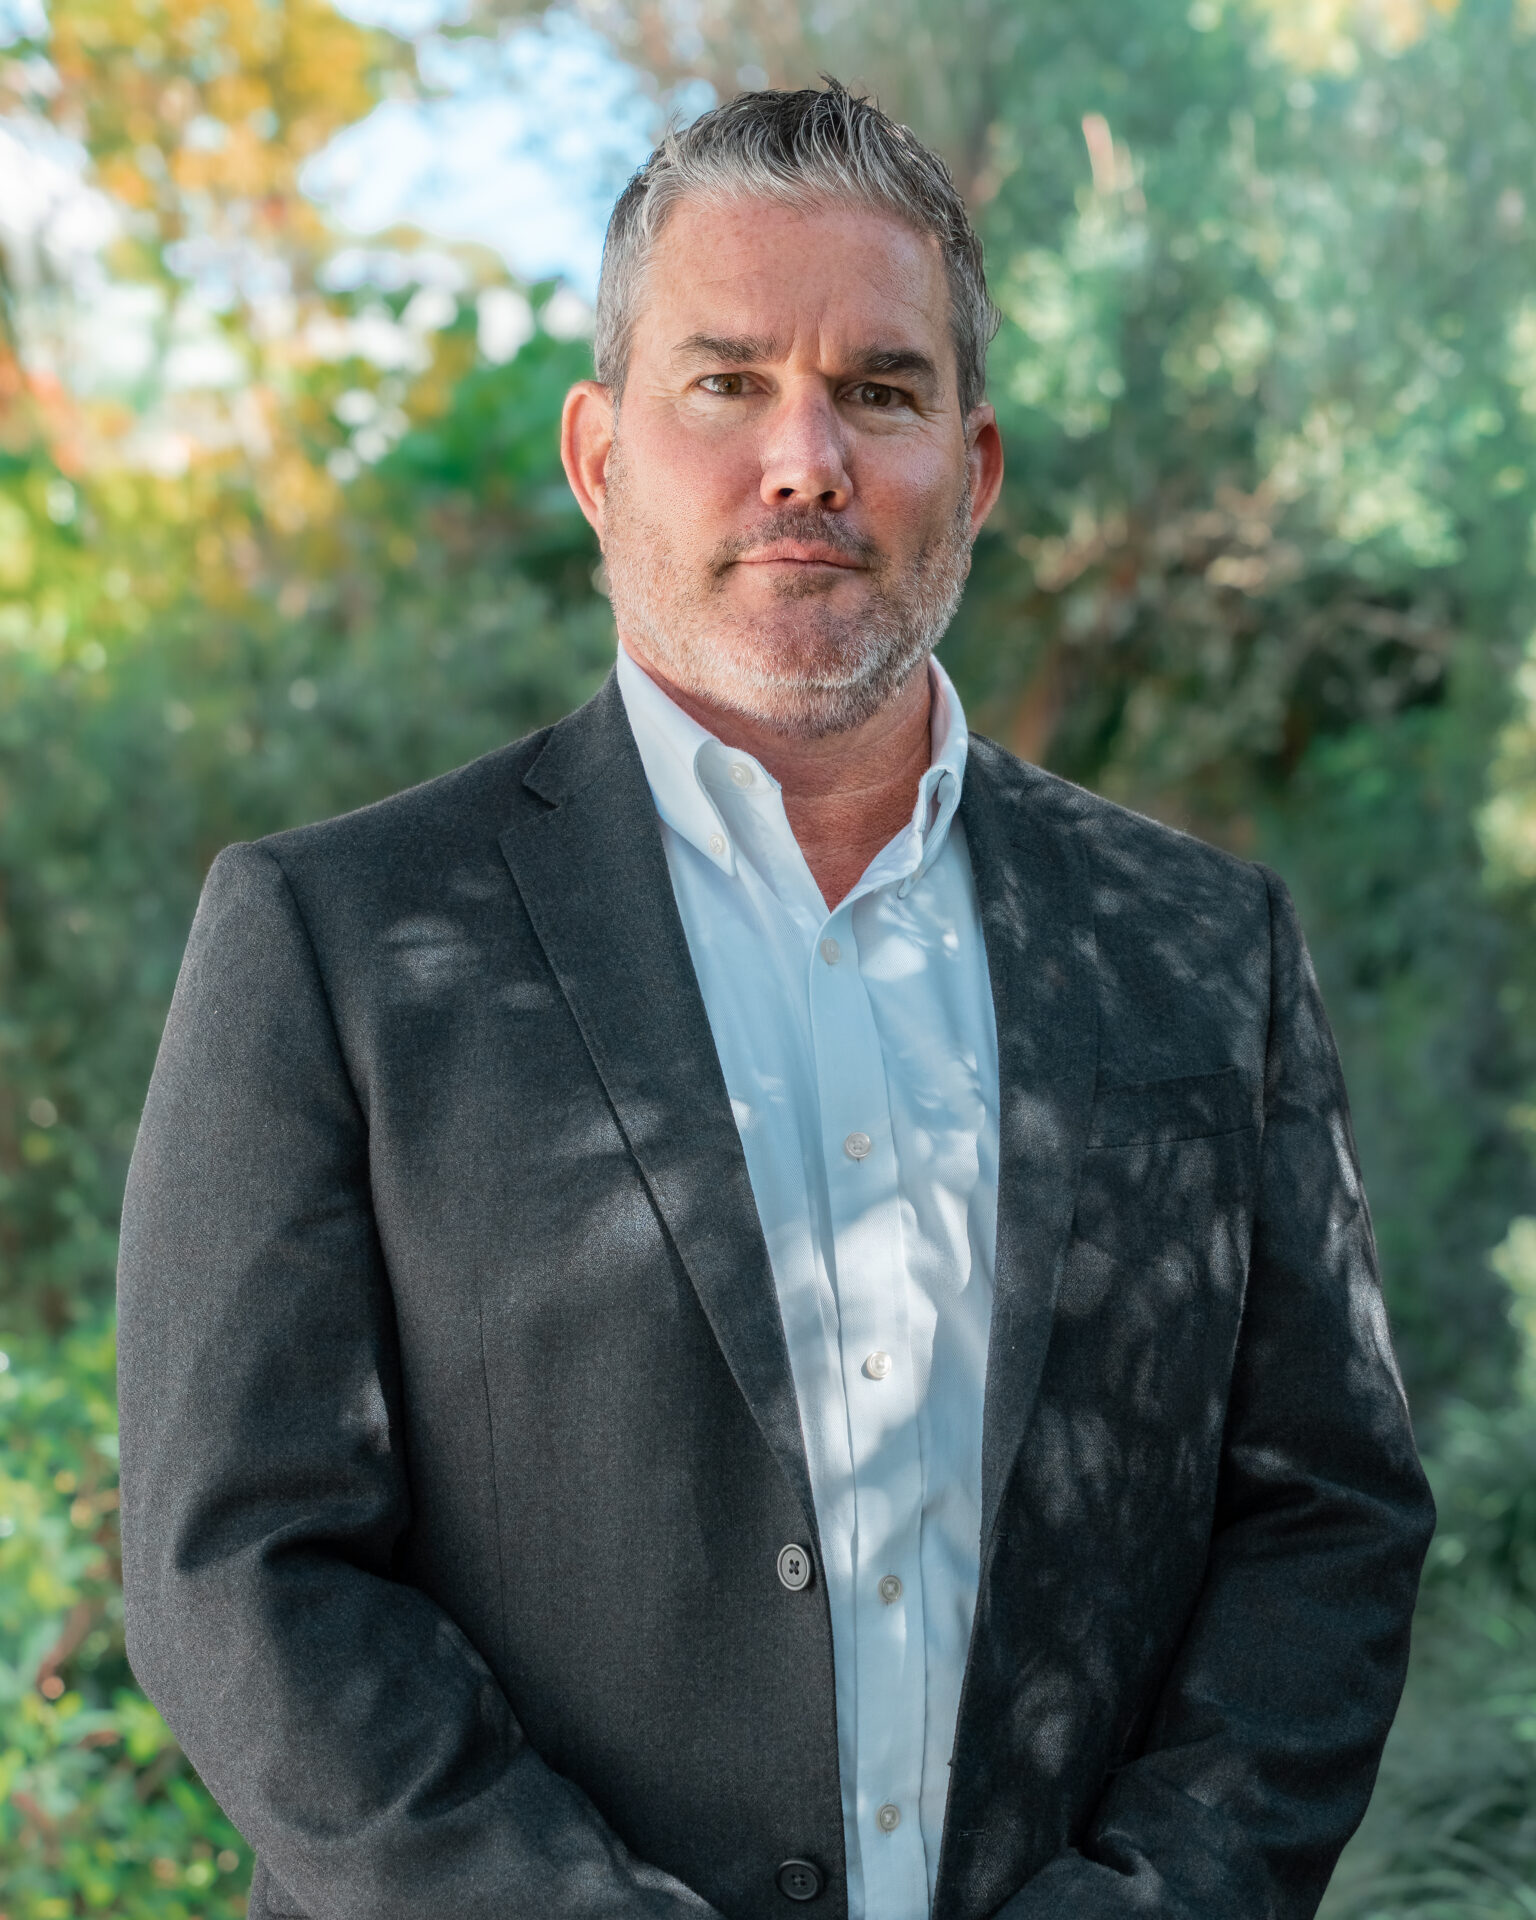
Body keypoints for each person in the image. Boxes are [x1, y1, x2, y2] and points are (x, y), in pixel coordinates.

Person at [116, 82, 1434, 1920]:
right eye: (725, 383)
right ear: (599, 458)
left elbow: (1326, 1517)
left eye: (880, 391)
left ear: (973, 468)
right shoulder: (333, 940)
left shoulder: (1205, 945)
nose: (805, 460)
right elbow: (240, 1564)